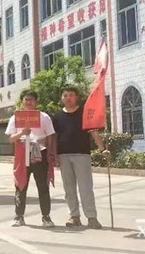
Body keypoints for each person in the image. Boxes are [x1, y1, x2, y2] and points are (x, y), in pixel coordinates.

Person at [52, 86, 110, 229]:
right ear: (61, 98)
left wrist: (102, 149)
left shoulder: (85, 113)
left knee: (86, 187)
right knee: (69, 188)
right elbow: (54, 137)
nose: (68, 98)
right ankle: (74, 216)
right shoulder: (57, 116)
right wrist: (54, 155)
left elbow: (94, 132)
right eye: (65, 95)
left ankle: (91, 217)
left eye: (71, 95)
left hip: (82, 154)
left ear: (76, 97)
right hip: (63, 155)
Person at [6, 90, 55, 228]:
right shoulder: (15, 118)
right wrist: (22, 132)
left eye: (31, 99)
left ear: (36, 102)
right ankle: (19, 216)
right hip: (22, 154)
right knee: (20, 186)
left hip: (40, 153)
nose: (28, 102)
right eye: (26, 99)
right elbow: (10, 139)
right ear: (22, 101)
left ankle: (46, 217)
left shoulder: (44, 117)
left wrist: (51, 154)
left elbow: (50, 136)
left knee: (43, 186)